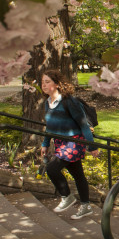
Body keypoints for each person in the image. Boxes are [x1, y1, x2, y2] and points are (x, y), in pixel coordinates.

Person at [40, 69, 100, 218]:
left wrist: (91, 146)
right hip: (61, 143)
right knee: (78, 174)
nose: (44, 85)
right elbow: (50, 126)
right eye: (42, 82)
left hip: (74, 142)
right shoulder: (48, 103)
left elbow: (83, 125)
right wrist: (45, 143)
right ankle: (86, 206)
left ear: (57, 84)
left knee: (52, 169)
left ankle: (67, 197)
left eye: (47, 82)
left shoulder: (69, 101)